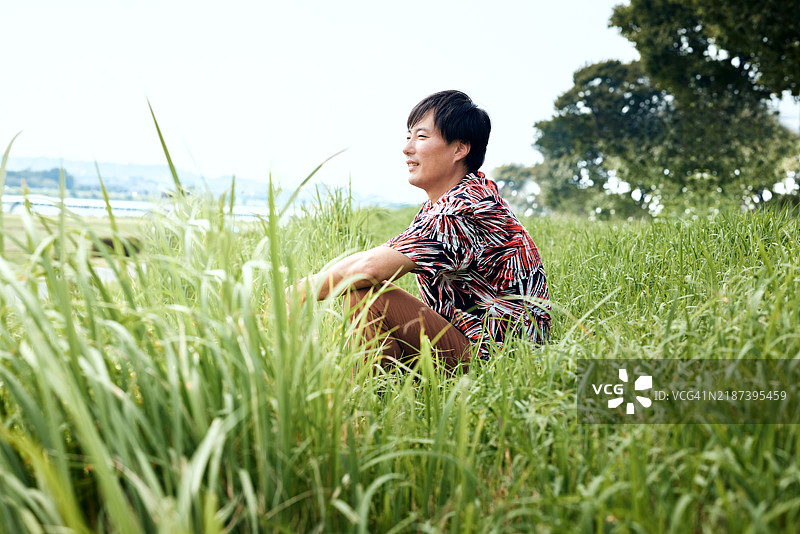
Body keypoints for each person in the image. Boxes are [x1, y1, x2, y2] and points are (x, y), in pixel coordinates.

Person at [289, 90, 550, 371]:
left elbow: (372, 267)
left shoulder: (462, 209)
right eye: (408, 136)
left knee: (365, 296)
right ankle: (387, 393)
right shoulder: (456, 198)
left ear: (460, 149)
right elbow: (382, 255)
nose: (407, 148)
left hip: (501, 361)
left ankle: (370, 403)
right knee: (362, 292)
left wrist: (296, 294)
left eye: (421, 137)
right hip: (480, 344)